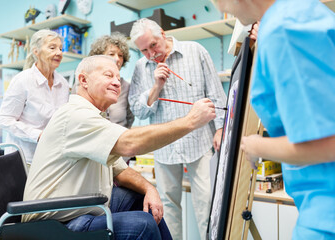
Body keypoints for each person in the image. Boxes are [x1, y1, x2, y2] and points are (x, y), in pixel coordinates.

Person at [23, 55, 217, 239]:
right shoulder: (76, 116)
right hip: (53, 224)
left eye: (118, 77)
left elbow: (119, 169)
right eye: (109, 75)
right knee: (143, 224)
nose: (117, 82)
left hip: (79, 209)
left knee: (144, 202)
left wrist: (150, 189)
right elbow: (130, 144)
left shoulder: (92, 117)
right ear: (83, 80)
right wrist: (191, 121)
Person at [212, 0, 335, 239]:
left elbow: (332, 144)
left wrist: (255, 145)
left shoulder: (285, 27)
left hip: (331, 211)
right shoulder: (298, 14)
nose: (220, 9)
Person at [129, 18, 227, 239]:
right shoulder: (140, 67)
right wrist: (156, 86)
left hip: (199, 141)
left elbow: (215, 92)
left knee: (207, 204)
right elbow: (138, 110)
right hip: (165, 146)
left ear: (162, 33)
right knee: (167, 208)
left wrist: (220, 129)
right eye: (143, 50)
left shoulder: (195, 51)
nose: (151, 54)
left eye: (153, 45)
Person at [0, 29, 69, 166]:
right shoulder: (23, 80)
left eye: (60, 48)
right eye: (52, 47)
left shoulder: (63, 84)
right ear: (36, 51)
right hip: (24, 159)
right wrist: (37, 135)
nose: (59, 53)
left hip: (51, 158)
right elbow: (4, 119)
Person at [88, 32, 134, 128]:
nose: (117, 59)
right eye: (111, 54)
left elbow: (129, 119)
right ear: (99, 56)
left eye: (120, 55)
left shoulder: (126, 87)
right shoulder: (86, 83)